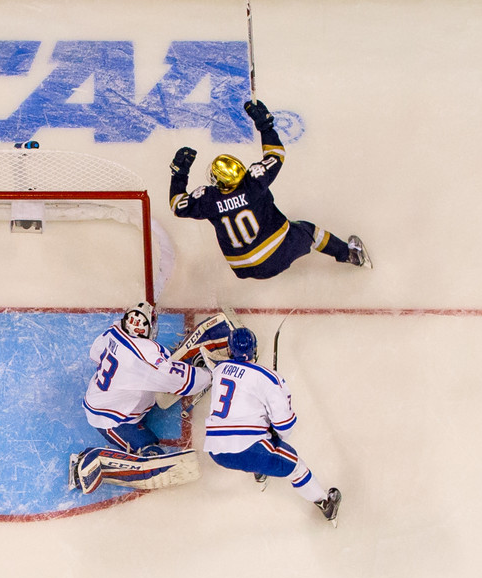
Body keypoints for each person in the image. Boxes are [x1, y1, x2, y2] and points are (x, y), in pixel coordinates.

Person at [168, 99, 371, 279]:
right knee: (309, 229)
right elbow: (276, 155)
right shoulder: (253, 183)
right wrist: (265, 126)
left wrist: (179, 174)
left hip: (241, 267)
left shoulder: (208, 199)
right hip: (276, 255)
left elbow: (177, 205)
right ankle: (350, 255)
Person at [202, 326, 341, 525]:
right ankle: (326, 504)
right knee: (296, 467)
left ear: (230, 350)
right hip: (250, 450)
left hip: (216, 451)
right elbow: (285, 426)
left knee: (256, 441)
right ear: (255, 351)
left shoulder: (219, 369)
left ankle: (259, 473)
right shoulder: (268, 378)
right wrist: (276, 433)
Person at [69, 302, 212, 494]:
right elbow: (184, 382)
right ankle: (92, 460)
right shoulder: (145, 355)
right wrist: (211, 374)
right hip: (112, 419)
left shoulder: (112, 331)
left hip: (102, 398)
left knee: (157, 377)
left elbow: (95, 353)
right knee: (150, 450)